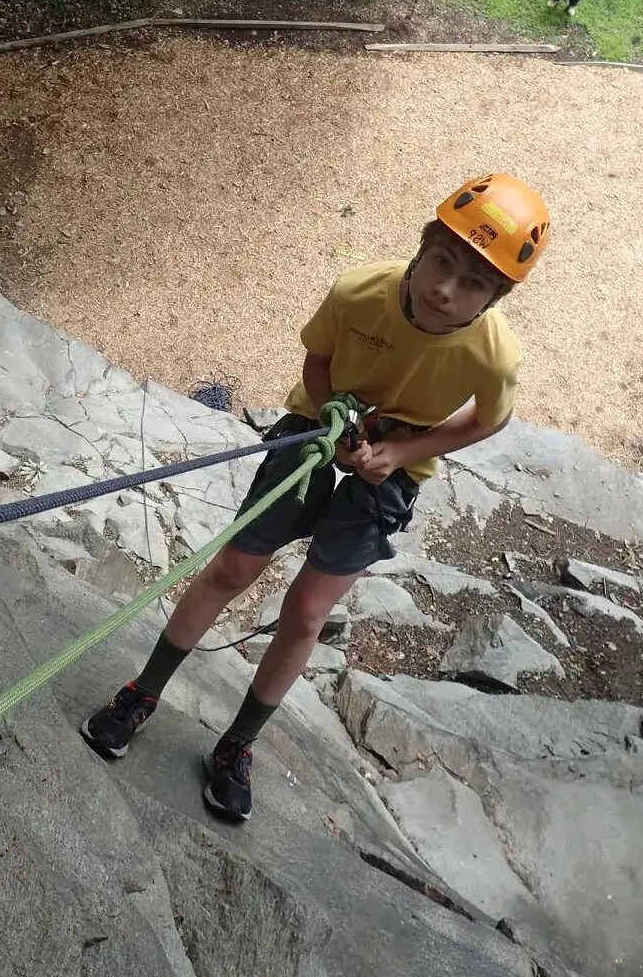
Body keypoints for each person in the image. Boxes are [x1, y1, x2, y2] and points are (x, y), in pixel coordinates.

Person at [81, 175, 551, 820]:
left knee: (306, 612)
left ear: (496, 297)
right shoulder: (359, 292)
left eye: (473, 283)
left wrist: (403, 453)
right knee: (232, 569)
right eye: (442, 262)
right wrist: (335, 416)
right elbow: (318, 361)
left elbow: (488, 419)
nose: (446, 289)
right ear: (422, 247)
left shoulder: (494, 356)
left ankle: (239, 743)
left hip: (395, 462)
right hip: (315, 426)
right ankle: (143, 691)